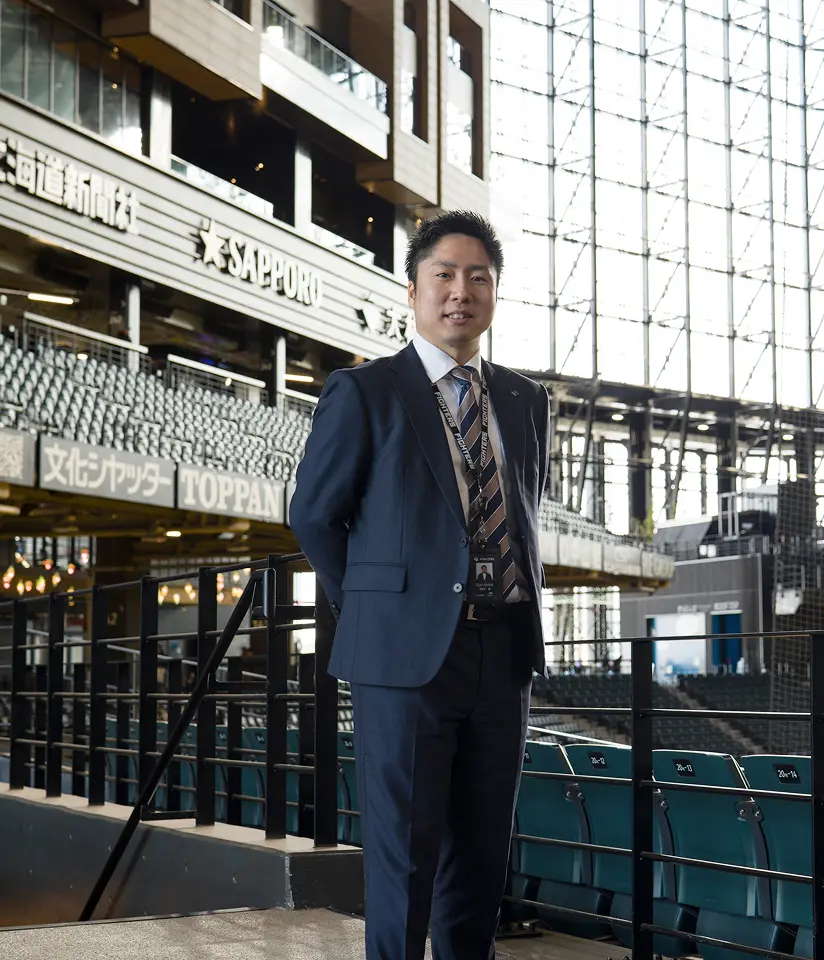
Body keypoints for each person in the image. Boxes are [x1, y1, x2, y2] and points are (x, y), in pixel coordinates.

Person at [290, 210, 551, 960]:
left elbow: (524, 510)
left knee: (482, 858)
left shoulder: (525, 401)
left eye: (478, 277)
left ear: (494, 292)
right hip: (403, 660)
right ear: (413, 290)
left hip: (504, 652)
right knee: (404, 858)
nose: (461, 291)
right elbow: (313, 516)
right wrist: (374, 611)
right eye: (444, 275)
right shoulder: (366, 391)